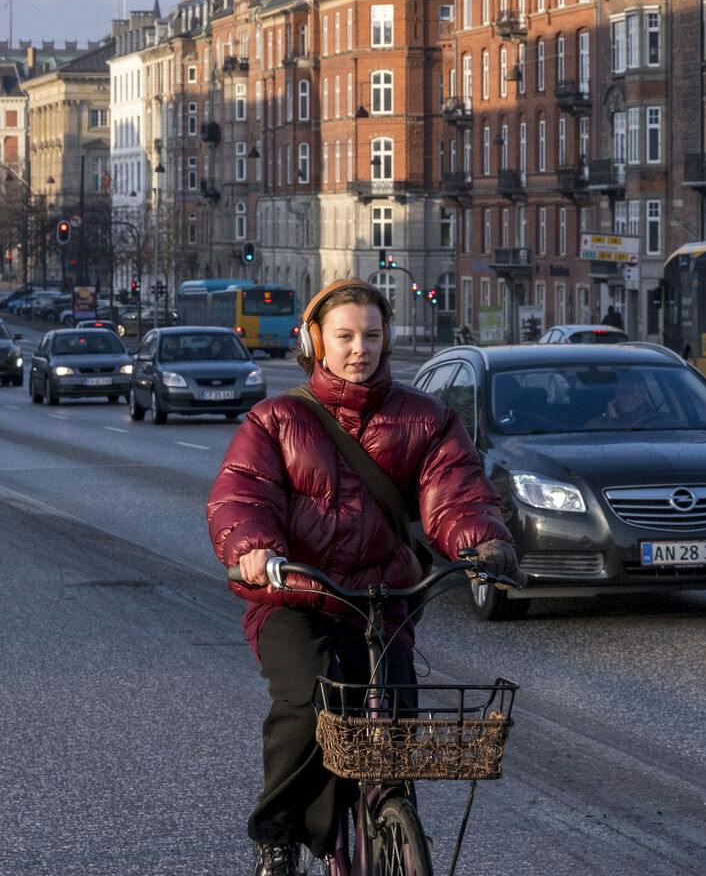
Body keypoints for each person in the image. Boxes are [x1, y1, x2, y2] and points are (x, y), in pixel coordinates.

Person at [206, 279, 516, 876]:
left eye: (371, 335)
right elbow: (241, 493)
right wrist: (253, 547)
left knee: (393, 729)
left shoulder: (423, 420)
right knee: (310, 699)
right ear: (314, 339)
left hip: (382, 599)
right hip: (293, 595)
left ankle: (392, 827)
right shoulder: (277, 418)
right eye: (345, 336)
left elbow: (454, 489)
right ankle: (277, 833)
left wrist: (479, 538)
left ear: (387, 338)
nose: (359, 349)